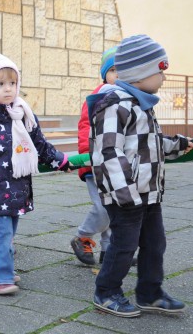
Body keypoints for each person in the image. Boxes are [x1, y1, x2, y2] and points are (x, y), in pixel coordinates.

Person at [89, 35, 193, 317]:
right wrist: (125, 193)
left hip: (148, 192)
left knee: (155, 243)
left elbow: (151, 143)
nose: (163, 77)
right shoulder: (115, 104)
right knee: (124, 246)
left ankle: (149, 292)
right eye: (160, 70)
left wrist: (180, 145)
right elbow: (108, 151)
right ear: (139, 74)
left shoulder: (141, 103)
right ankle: (106, 291)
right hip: (126, 195)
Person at [0, 53, 69, 295]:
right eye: (1, 84)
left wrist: (59, 160)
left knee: (9, 233)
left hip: (17, 186)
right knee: (1, 232)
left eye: (13, 83)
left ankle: (2, 268)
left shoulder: (22, 113)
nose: (8, 89)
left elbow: (39, 144)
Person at [71, 45, 117, 266]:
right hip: (96, 162)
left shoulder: (129, 98)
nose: (119, 75)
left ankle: (110, 251)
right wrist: (87, 155)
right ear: (105, 74)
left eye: (124, 70)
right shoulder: (99, 96)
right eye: (114, 70)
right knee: (103, 207)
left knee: (115, 205)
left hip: (119, 162)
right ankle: (83, 236)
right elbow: (85, 126)